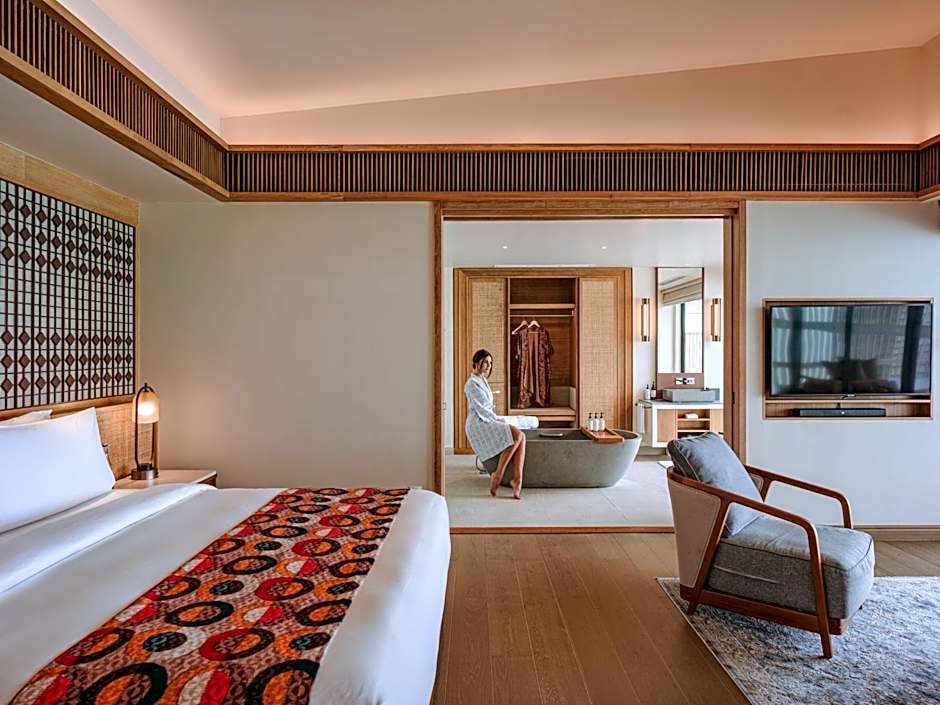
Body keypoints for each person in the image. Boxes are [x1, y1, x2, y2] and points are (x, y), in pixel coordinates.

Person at [464, 349, 526, 499]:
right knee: (517, 435)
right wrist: (499, 420)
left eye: (490, 363)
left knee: (522, 436)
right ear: (476, 362)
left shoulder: (482, 380)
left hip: (486, 418)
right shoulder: (471, 384)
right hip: (478, 423)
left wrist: (498, 419)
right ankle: (498, 475)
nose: (488, 366)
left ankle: (517, 481)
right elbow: (482, 410)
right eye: (485, 362)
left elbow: (487, 409)